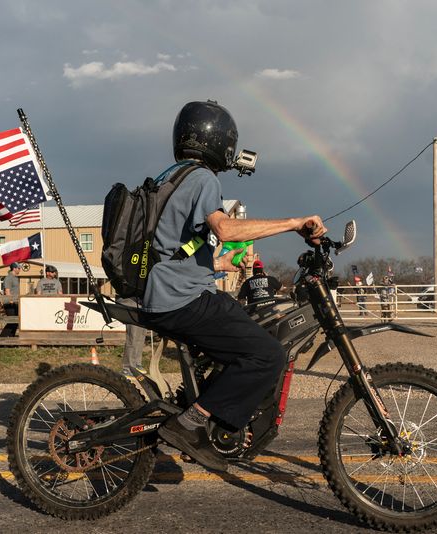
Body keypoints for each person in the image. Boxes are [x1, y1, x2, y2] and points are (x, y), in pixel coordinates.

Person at [139, 100, 327, 472]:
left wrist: (220, 264)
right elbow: (224, 229)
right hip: (182, 298)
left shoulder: (173, 176)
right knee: (268, 355)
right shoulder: (203, 178)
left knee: (246, 333)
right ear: (217, 139)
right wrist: (294, 222)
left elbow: (176, 246)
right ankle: (190, 423)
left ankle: (198, 408)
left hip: (173, 290)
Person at [0, 262, 21, 337]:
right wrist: (11, 301)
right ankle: (1, 341)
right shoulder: (8, 278)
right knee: (12, 321)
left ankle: (10, 341)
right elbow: (7, 291)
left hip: (15, 303)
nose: (20, 270)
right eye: (19, 268)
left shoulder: (16, 278)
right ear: (14, 268)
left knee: (15, 322)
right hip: (9, 303)